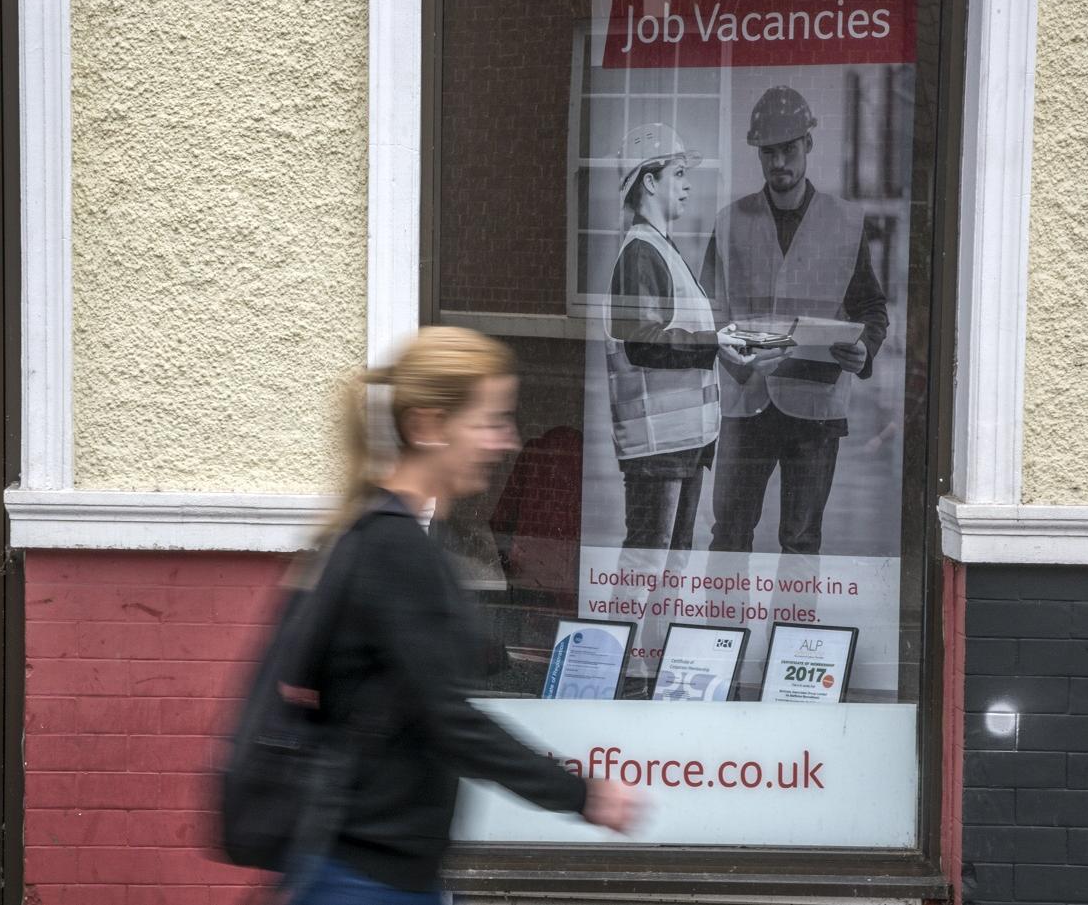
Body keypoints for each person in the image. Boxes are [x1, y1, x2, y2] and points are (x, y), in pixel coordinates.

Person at [289, 327, 638, 904]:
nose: (508, 441)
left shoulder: (380, 536)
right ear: (427, 427)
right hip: (368, 878)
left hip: (379, 867)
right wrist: (582, 794)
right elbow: (448, 718)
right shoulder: (393, 547)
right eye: (491, 421)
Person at [701, 86, 889, 555]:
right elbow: (710, 312)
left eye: (788, 149)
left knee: (802, 541)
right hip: (747, 402)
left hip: (817, 407)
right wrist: (732, 353)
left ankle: (793, 630)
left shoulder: (846, 223)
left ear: (808, 144)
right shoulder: (729, 222)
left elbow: (871, 309)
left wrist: (864, 347)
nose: (778, 162)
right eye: (768, 152)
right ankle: (723, 631)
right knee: (728, 536)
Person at [605, 122, 746, 551]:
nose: (688, 186)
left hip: (681, 445)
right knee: (646, 571)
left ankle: (650, 625)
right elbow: (644, 341)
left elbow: (670, 334)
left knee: (668, 572)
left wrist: (722, 347)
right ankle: (626, 625)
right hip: (658, 452)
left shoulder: (660, 250)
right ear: (649, 181)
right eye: (679, 174)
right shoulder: (641, 253)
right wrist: (713, 342)